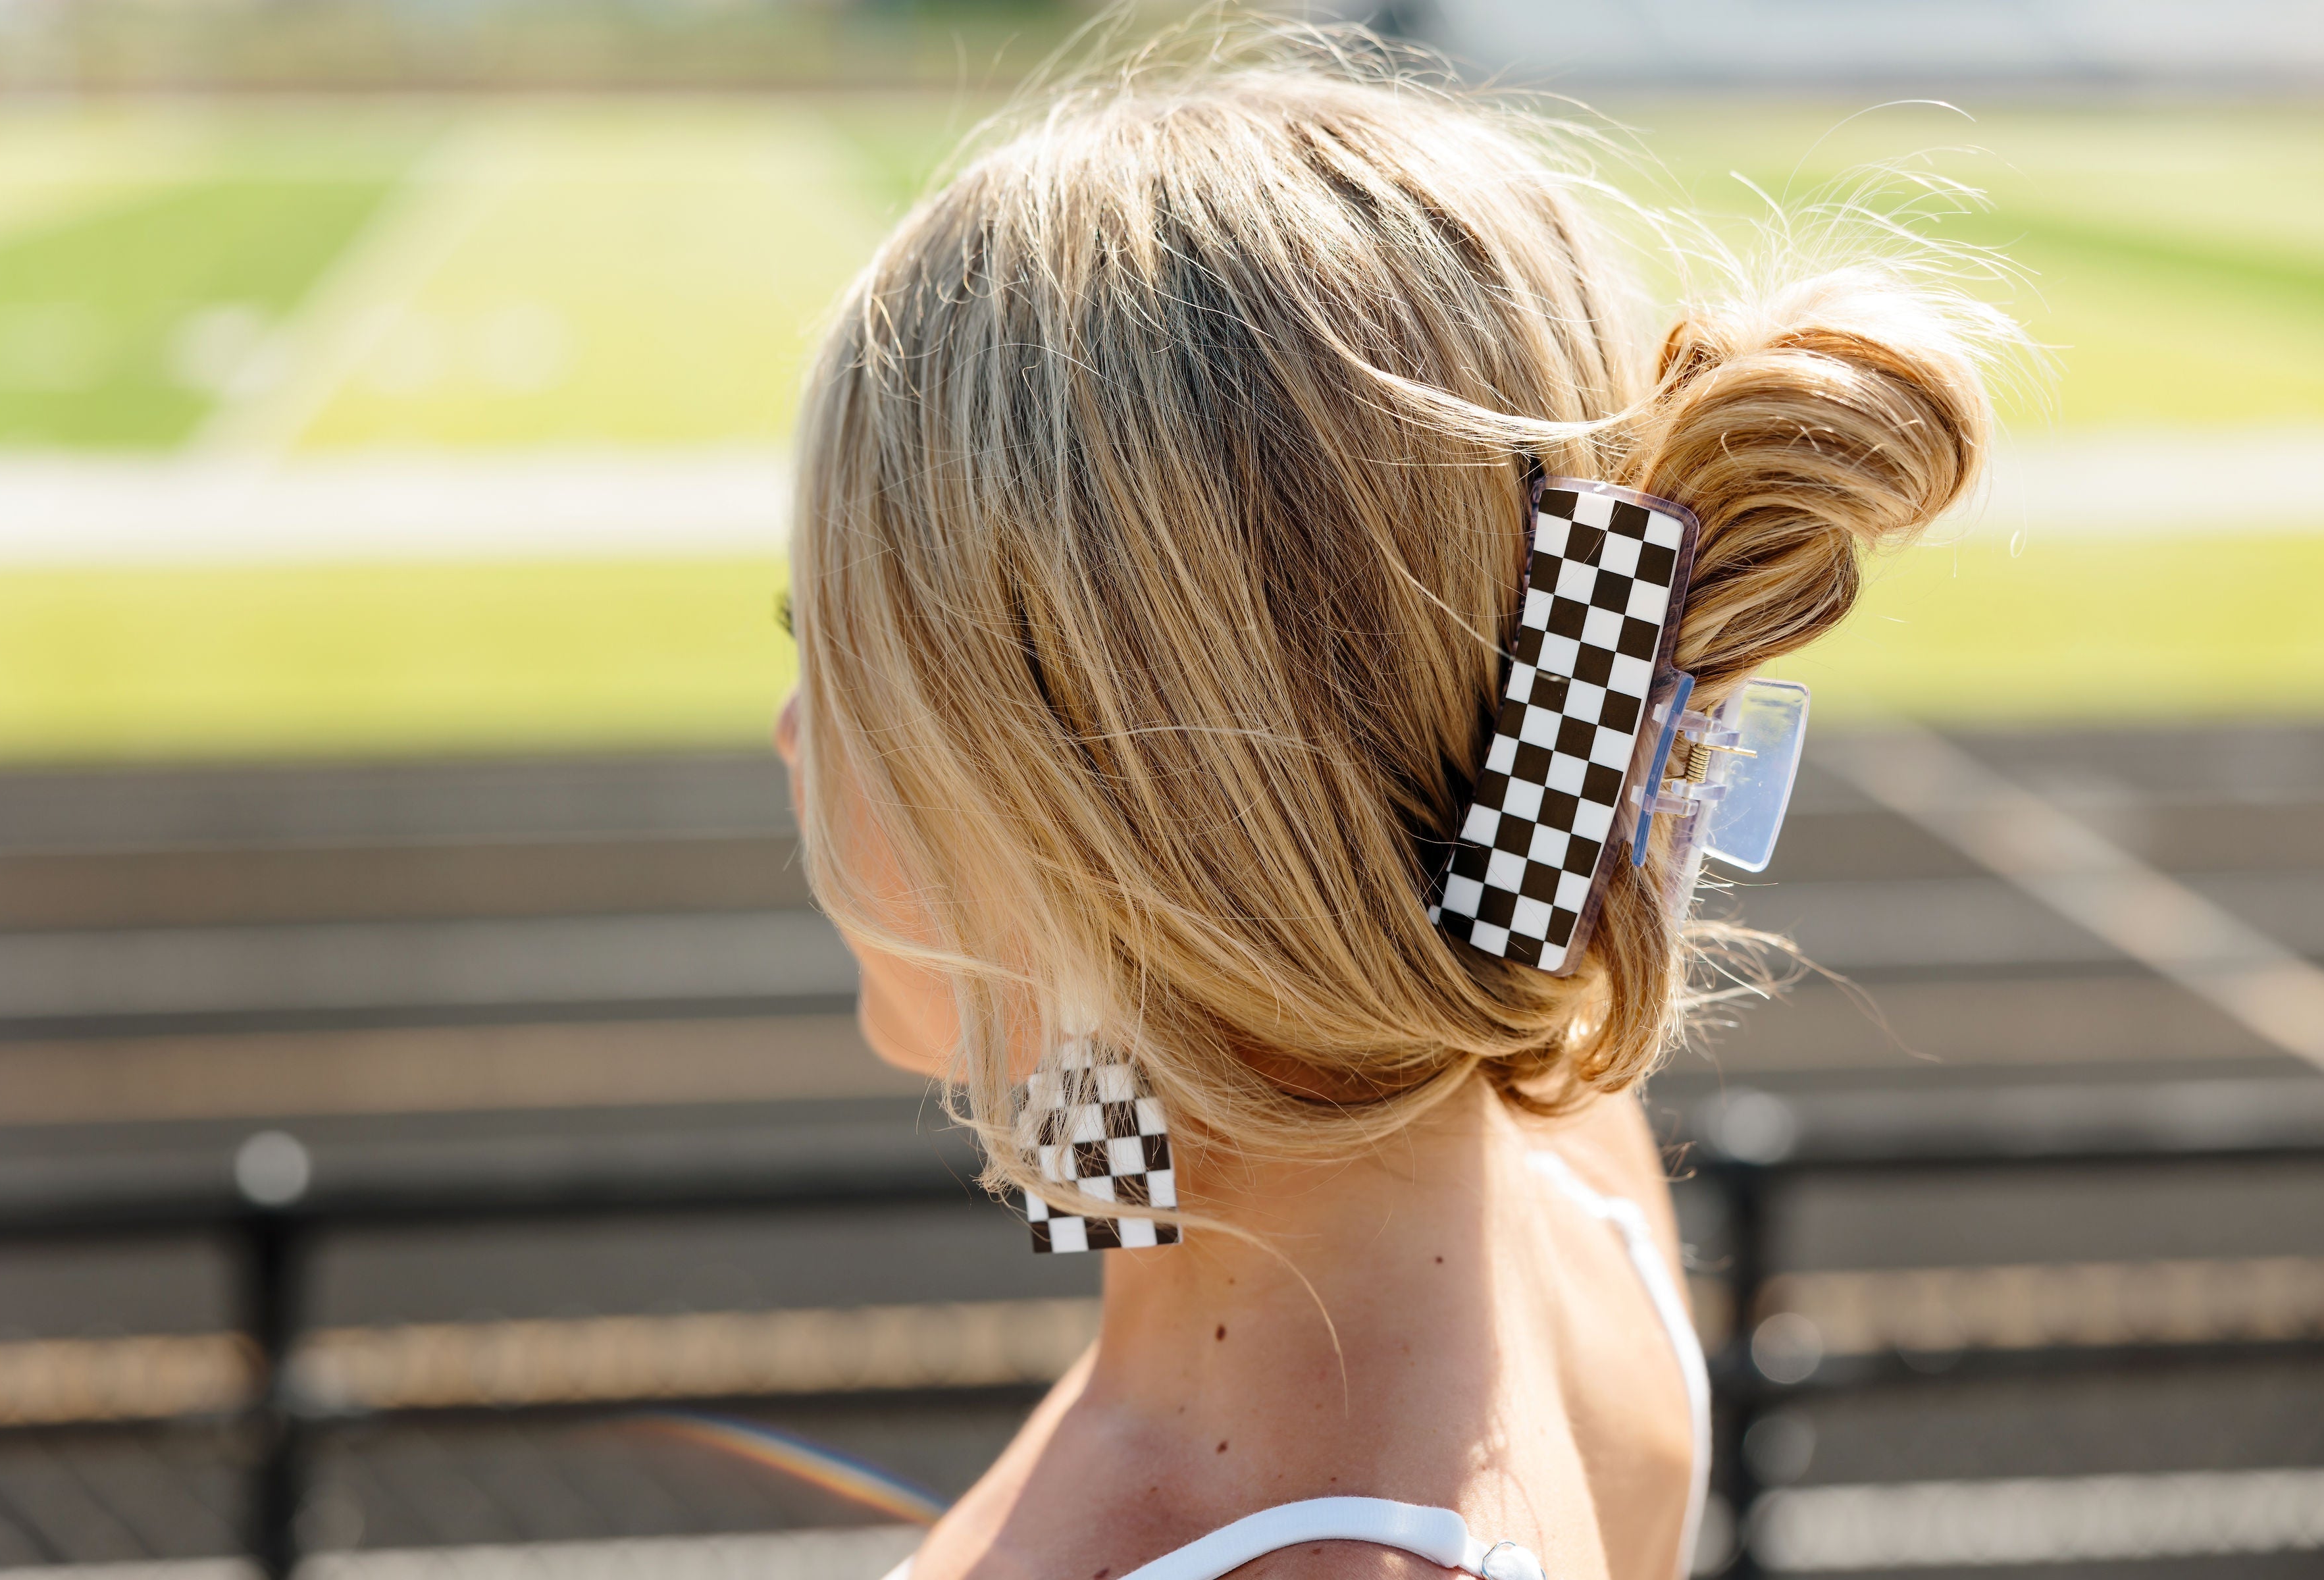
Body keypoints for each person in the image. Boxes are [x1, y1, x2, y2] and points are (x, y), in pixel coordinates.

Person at [775, 27, 2003, 1580]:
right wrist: (1066, 1003)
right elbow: (1210, 1067)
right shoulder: (1537, 1139)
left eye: (837, 660)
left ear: (1091, 814)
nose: (793, 732)